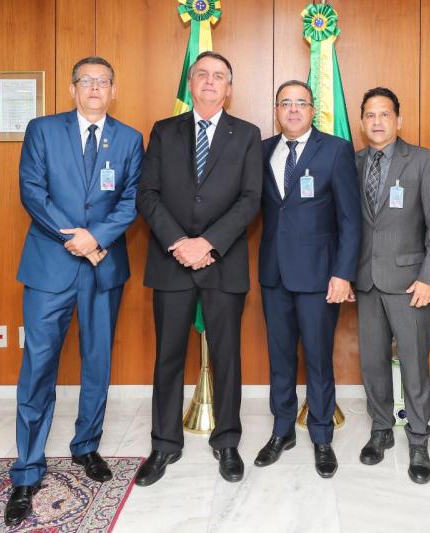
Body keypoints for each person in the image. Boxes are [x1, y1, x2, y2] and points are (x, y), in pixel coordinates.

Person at [6, 56, 143, 526]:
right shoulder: (43, 130)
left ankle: (87, 445)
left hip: (103, 268)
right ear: (72, 88)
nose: (94, 88)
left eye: (103, 82)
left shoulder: (128, 139)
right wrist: (74, 238)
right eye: (86, 81)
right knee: (39, 366)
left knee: (97, 361)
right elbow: (32, 191)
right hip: (50, 266)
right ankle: (27, 469)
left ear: (112, 90)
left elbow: (130, 201)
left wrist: (96, 238)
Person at [135, 51, 262, 487]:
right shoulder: (164, 131)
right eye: (202, 74)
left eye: (219, 76)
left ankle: (227, 441)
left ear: (229, 87)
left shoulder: (247, 135)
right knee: (168, 357)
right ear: (190, 83)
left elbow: (250, 199)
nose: (210, 81)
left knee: (228, 357)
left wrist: (207, 243)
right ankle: (164, 444)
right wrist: (179, 244)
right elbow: (147, 195)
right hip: (171, 263)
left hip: (223, 262)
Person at [253, 80, 361, 479]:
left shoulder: (335, 150)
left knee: (317, 359)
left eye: (301, 103)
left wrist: (343, 273)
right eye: (286, 103)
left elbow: (351, 220)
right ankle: (282, 431)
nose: (293, 110)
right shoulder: (261, 151)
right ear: (276, 110)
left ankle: (321, 436)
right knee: (279, 358)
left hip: (320, 276)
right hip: (273, 274)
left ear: (313, 110)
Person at [353, 87, 430, 483]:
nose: (377, 121)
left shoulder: (423, 161)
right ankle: (380, 430)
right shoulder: (352, 162)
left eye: (385, 114)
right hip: (366, 281)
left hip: (410, 282)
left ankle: (419, 438)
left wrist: (429, 278)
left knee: (412, 362)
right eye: (370, 115)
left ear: (399, 119)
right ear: (361, 122)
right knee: (373, 362)